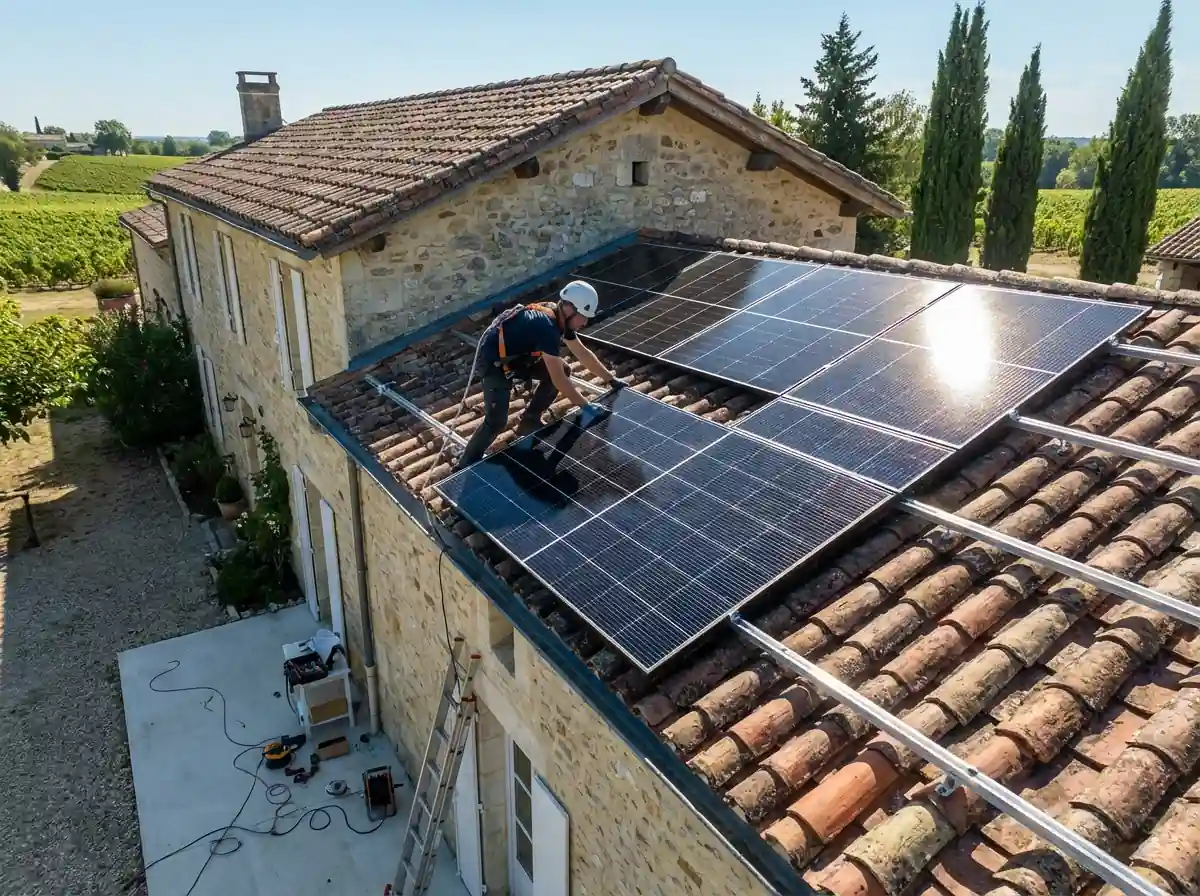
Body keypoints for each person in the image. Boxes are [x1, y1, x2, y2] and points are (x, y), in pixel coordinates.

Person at [457, 280, 624, 467]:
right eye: (583, 317)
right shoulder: (546, 327)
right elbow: (558, 379)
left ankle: (530, 421)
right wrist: (587, 407)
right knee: (496, 422)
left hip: (519, 358)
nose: (584, 322)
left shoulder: (559, 319)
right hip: (494, 363)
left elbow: (581, 352)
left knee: (565, 368)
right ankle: (465, 464)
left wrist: (611, 379)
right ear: (569, 309)